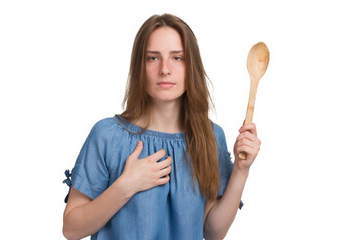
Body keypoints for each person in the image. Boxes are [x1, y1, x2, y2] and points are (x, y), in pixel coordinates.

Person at [62, 13, 261, 240]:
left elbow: (213, 232)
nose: (165, 69)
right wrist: (125, 186)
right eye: (152, 58)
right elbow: (71, 228)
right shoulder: (107, 136)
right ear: (139, 66)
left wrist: (241, 171)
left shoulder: (210, 137)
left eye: (177, 58)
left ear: (191, 66)